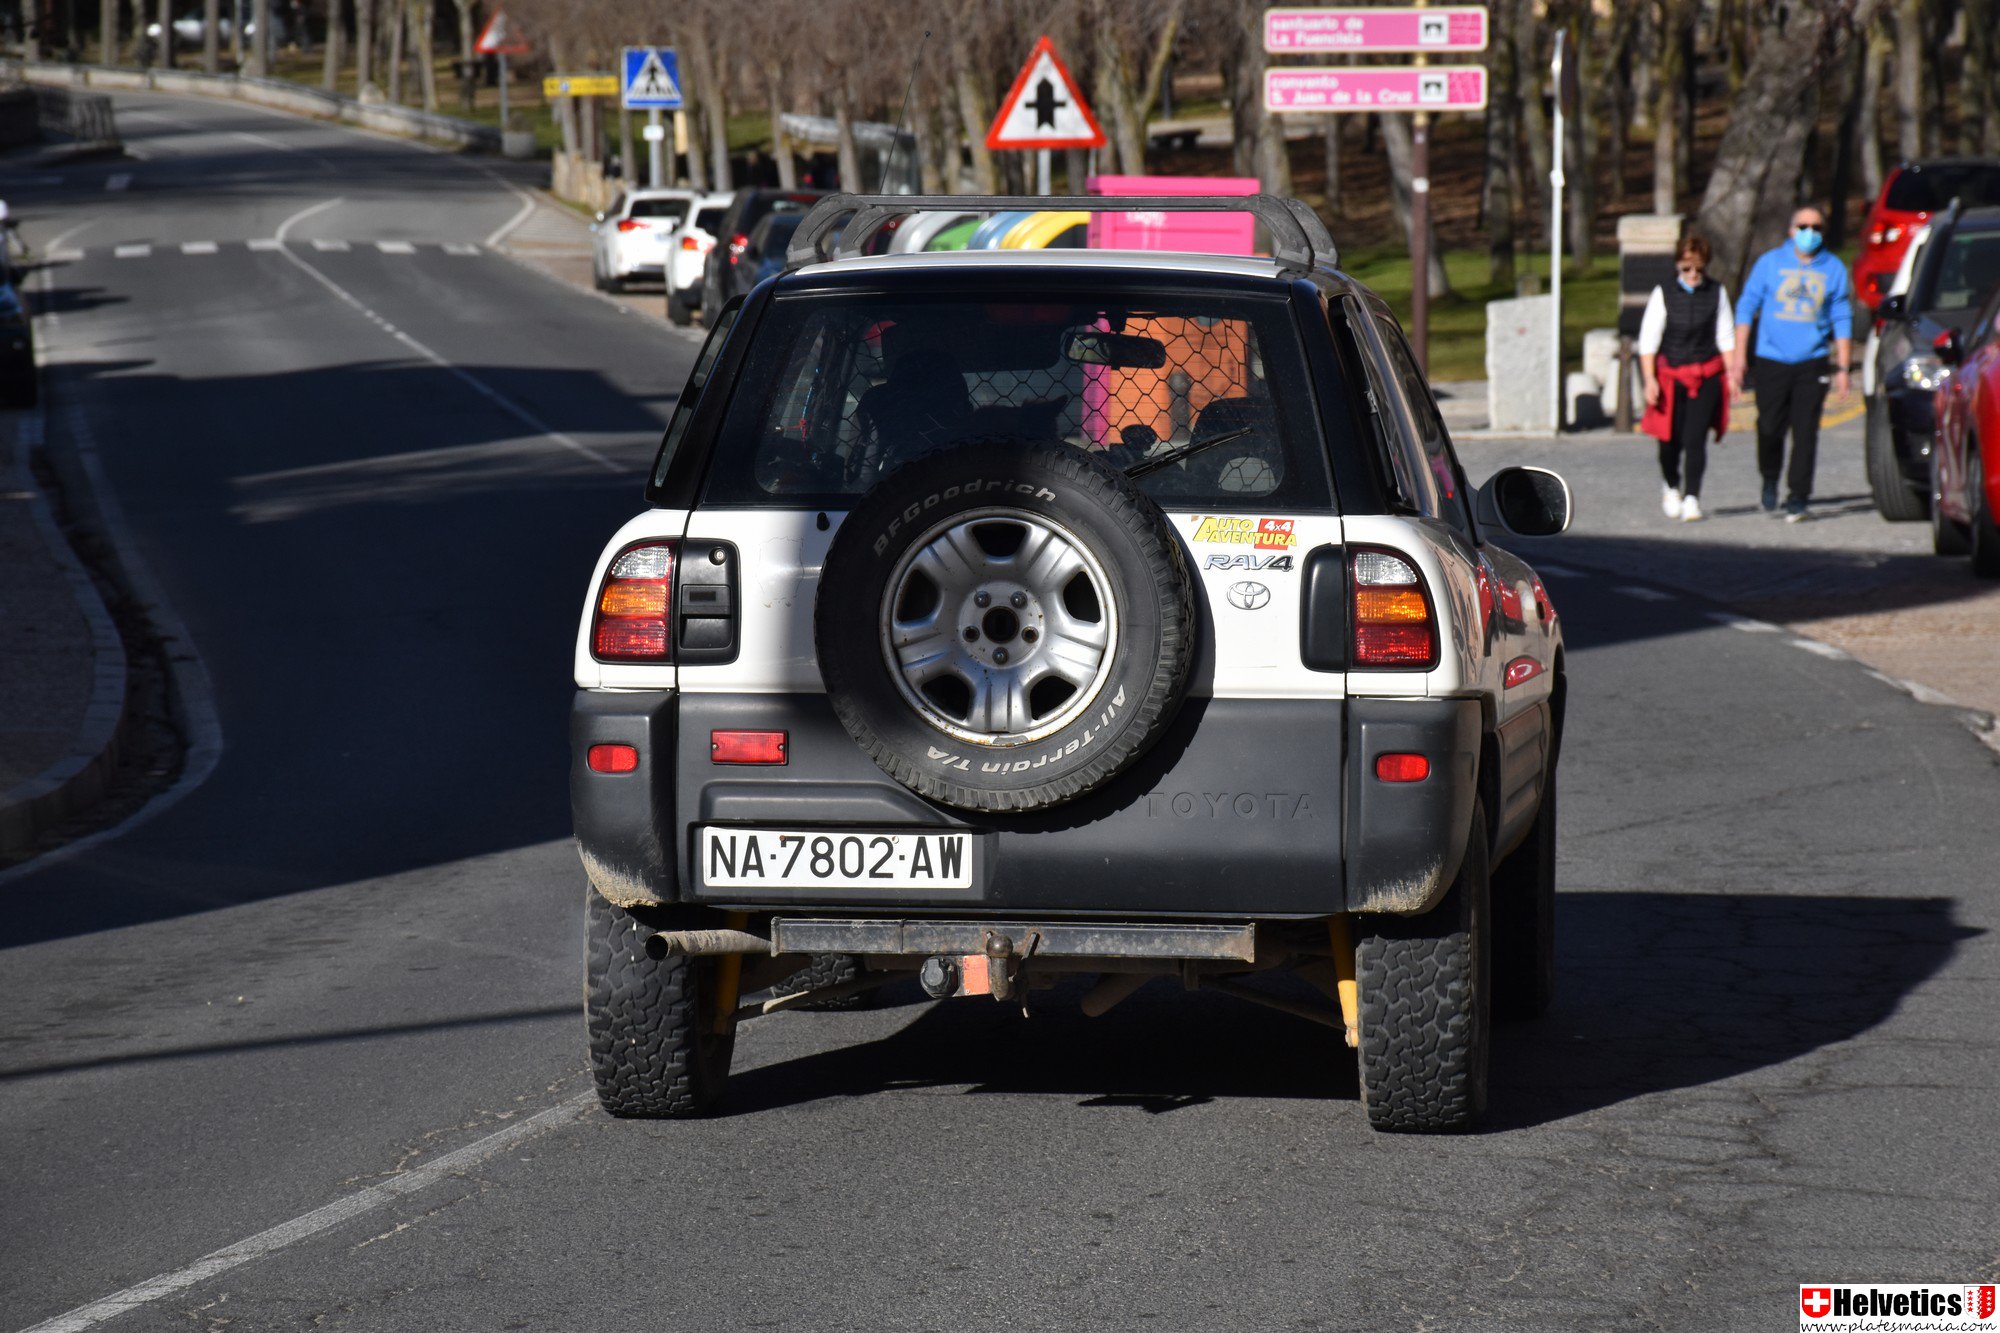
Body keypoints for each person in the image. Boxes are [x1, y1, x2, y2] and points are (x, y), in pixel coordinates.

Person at [1729, 205, 1855, 522]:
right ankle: (1769, 475)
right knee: (1769, 426)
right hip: (1771, 359)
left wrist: (1842, 367)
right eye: (1803, 226)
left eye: (1816, 227)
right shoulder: (1770, 263)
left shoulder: (1834, 269)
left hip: (1811, 362)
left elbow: (1842, 318)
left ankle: (1799, 494)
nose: (1809, 233)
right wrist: (1738, 358)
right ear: (1791, 230)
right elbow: (1746, 307)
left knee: (1806, 431)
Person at [1639, 233, 1735, 521]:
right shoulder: (1663, 293)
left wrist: (1732, 375)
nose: (1693, 275)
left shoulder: (1717, 293)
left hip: (1705, 374)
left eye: (1699, 269)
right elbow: (1648, 341)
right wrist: (1650, 380)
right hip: (1670, 375)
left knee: (1695, 439)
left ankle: (1692, 496)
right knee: (1669, 441)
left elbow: (1726, 337)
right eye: (1686, 269)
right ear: (1677, 267)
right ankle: (1671, 485)